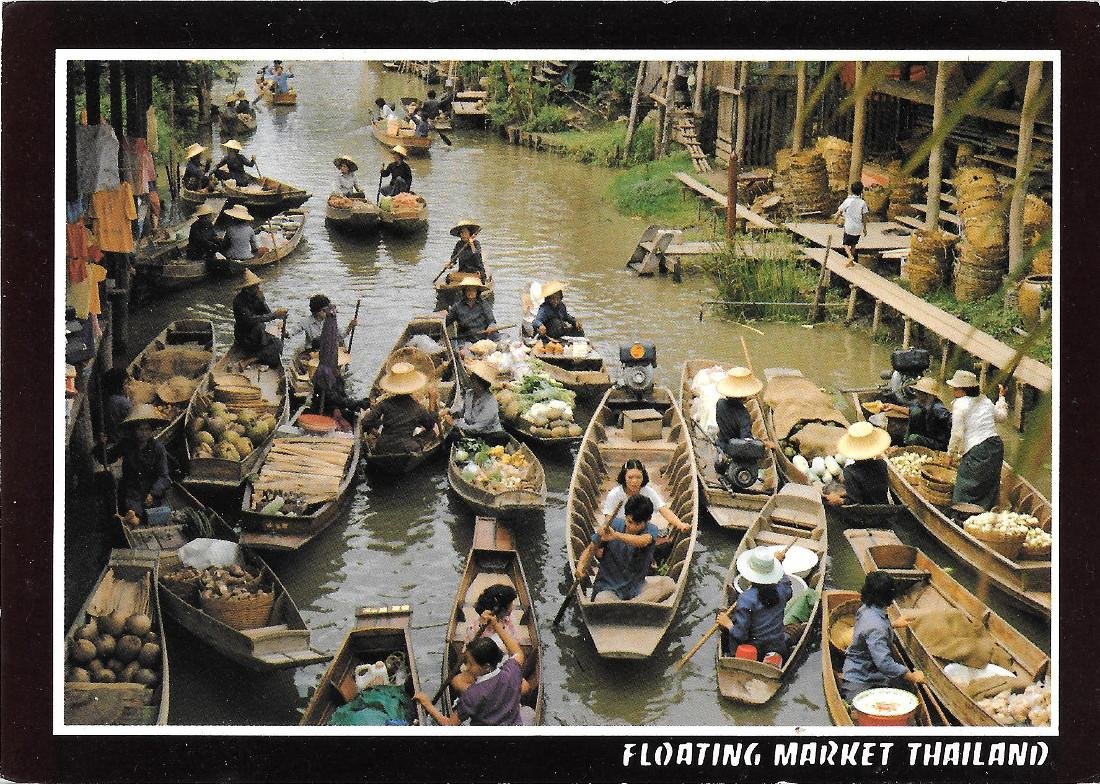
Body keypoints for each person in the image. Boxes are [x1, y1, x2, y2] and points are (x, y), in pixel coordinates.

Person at [413, 613, 532, 726]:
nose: (467, 668)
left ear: (486, 666)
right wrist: (496, 624)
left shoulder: (472, 695)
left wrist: (427, 704)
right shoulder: (512, 671)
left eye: (470, 664)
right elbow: (517, 651)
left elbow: (449, 724)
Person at [840, 571, 926, 701]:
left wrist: (893, 624)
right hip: (861, 678)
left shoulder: (866, 608)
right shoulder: (876, 626)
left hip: (866, 670)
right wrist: (912, 676)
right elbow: (884, 664)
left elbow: (871, 630)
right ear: (889, 596)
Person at [574, 495, 676, 604]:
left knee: (669, 584)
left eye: (637, 524)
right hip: (608, 587)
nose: (632, 527)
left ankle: (631, 605)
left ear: (647, 520)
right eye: (629, 522)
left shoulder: (651, 530)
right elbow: (590, 549)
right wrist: (580, 568)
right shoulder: (613, 525)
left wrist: (616, 536)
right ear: (625, 516)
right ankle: (635, 607)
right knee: (601, 600)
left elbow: (643, 541)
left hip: (636, 587)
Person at [715, 545, 793, 663]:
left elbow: (741, 635)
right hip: (776, 645)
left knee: (726, 622)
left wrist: (728, 624)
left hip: (751, 650)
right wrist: (778, 563)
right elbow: (786, 582)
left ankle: (731, 656)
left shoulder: (746, 598)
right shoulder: (782, 590)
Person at [945, 370, 1008, 510]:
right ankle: (983, 514)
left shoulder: (960, 404)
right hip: (996, 447)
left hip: (978, 449)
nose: (953, 391)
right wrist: (1001, 398)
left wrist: (950, 454)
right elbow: (1002, 417)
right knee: (987, 487)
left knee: (964, 488)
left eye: (955, 388)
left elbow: (957, 434)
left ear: (962, 390)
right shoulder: (985, 400)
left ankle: (960, 518)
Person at [105, 404, 171, 520]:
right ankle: (131, 516)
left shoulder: (158, 448)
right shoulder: (126, 444)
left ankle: (133, 518)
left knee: (150, 513)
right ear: (134, 430)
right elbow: (108, 458)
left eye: (147, 429)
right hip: (130, 488)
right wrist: (102, 444)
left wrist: (153, 492)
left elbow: (164, 477)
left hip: (150, 489)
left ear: (151, 431)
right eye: (140, 429)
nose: (144, 433)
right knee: (131, 506)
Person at [362, 361, 440, 454]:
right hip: (407, 448)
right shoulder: (418, 408)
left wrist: (378, 435)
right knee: (433, 432)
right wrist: (432, 401)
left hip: (383, 446)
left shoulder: (385, 403)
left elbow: (366, 422)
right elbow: (430, 425)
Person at [713, 367, 775, 479]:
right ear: (744, 396)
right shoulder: (744, 415)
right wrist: (765, 443)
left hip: (721, 443)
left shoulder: (720, 403)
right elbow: (746, 441)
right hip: (733, 450)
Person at [601, 459, 690, 536]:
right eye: (630, 477)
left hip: (641, 529)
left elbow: (663, 509)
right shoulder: (614, 494)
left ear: (643, 478)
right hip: (620, 530)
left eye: (638, 477)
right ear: (624, 478)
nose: (634, 481)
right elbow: (608, 519)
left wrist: (680, 524)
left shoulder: (648, 491)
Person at [310, 312, 367, 426]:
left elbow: (342, 397)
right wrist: (357, 403)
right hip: (326, 411)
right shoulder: (325, 375)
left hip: (334, 407)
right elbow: (334, 398)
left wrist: (356, 403)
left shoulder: (335, 376)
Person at [824, 422, 891, 507]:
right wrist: (845, 493)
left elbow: (855, 502)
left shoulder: (850, 472)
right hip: (883, 506)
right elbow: (872, 489)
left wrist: (839, 500)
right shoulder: (882, 464)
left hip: (867, 513)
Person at [232, 269, 287, 368]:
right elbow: (250, 320)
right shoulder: (239, 302)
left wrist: (262, 301)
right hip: (246, 336)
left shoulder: (257, 297)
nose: (258, 288)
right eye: (255, 287)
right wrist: (275, 315)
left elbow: (267, 313)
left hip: (258, 334)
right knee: (276, 345)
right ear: (248, 289)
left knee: (276, 353)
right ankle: (249, 360)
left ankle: (254, 358)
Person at [883, 376, 952, 451]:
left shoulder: (938, 408)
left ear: (928, 395)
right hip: (928, 435)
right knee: (916, 411)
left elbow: (951, 421)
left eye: (919, 392)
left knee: (914, 438)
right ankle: (906, 442)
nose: (916, 394)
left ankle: (908, 444)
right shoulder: (924, 403)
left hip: (939, 443)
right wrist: (892, 407)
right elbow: (910, 411)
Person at [437, 276, 502, 351]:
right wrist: (441, 318)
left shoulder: (483, 304)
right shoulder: (457, 307)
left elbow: (492, 321)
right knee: (463, 351)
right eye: (468, 290)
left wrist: (491, 327)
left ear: (477, 292)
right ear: (464, 292)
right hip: (466, 339)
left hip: (484, 337)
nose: (470, 293)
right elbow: (446, 322)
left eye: (473, 290)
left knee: (503, 340)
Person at [286, 294, 357, 353]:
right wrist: (285, 333)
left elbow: (340, 336)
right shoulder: (305, 322)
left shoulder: (330, 321)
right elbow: (292, 332)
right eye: (324, 310)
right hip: (312, 352)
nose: (327, 312)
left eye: (328, 309)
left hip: (328, 351)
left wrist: (350, 327)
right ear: (316, 311)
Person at [449, 360, 503, 437]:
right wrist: (451, 412)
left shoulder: (490, 403)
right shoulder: (469, 394)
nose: (470, 379)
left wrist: (454, 423)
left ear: (480, 384)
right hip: (471, 431)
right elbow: (462, 411)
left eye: (473, 378)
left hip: (488, 435)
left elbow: (478, 428)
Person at [835, 181, 869, 266]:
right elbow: (864, 217)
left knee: (845, 244)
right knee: (853, 244)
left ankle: (850, 257)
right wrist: (865, 228)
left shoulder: (848, 201)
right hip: (858, 227)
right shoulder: (862, 203)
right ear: (861, 191)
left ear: (851, 190)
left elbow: (840, 211)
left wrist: (835, 219)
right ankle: (851, 262)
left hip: (849, 227)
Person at [100, 367, 132, 447]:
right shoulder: (121, 402)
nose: (128, 386)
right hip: (121, 439)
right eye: (125, 383)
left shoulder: (109, 398)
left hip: (113, 436)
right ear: (118, 386)